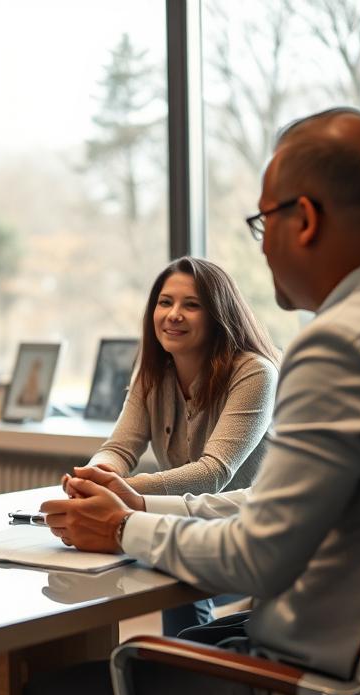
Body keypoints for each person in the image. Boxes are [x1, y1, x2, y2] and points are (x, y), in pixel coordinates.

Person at [25, 107, 360, 695]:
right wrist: (140, 505)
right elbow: (278, 508)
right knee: (157, 656)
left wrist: (123, 529)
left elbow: (258, 557)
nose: (262, 245)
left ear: (304, 220)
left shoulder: (341, 347)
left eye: (263, 221)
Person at [68, 257, 279, 635]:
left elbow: (214, 473)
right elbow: (120, 447)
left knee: (168, 574)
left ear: (218, 315)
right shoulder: (153, 371)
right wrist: (95, 475)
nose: (173, 314)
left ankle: (182, 660)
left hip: (252, 536)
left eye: (191, 305)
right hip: (182, 524)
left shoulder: (254, 372)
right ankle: (180, 657)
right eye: (165, 302)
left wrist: (120, 489)